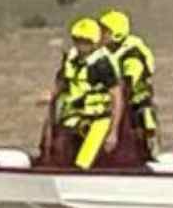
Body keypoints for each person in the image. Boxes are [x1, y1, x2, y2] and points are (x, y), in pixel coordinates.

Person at [43, 18, 125, 169]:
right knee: (59, 150)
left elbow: (117, 97)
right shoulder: (71, 59)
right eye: (77, 40)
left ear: (94, 43)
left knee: (84, 160)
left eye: (85, 42)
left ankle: (83, 174)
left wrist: (113, 132)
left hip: (98, 119)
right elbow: (61, 82)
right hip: (74, 115)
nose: (81, 45)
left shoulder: (102, 65)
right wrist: (51, 95)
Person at [98, 9, 160, 159]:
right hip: (110, 102)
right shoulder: (102, 52)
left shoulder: (133, 54)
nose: (100, 34)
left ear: (116, 33)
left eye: (104, 31)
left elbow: (128, 81)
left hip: (136, 103)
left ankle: (149, 153)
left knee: (145, 123)